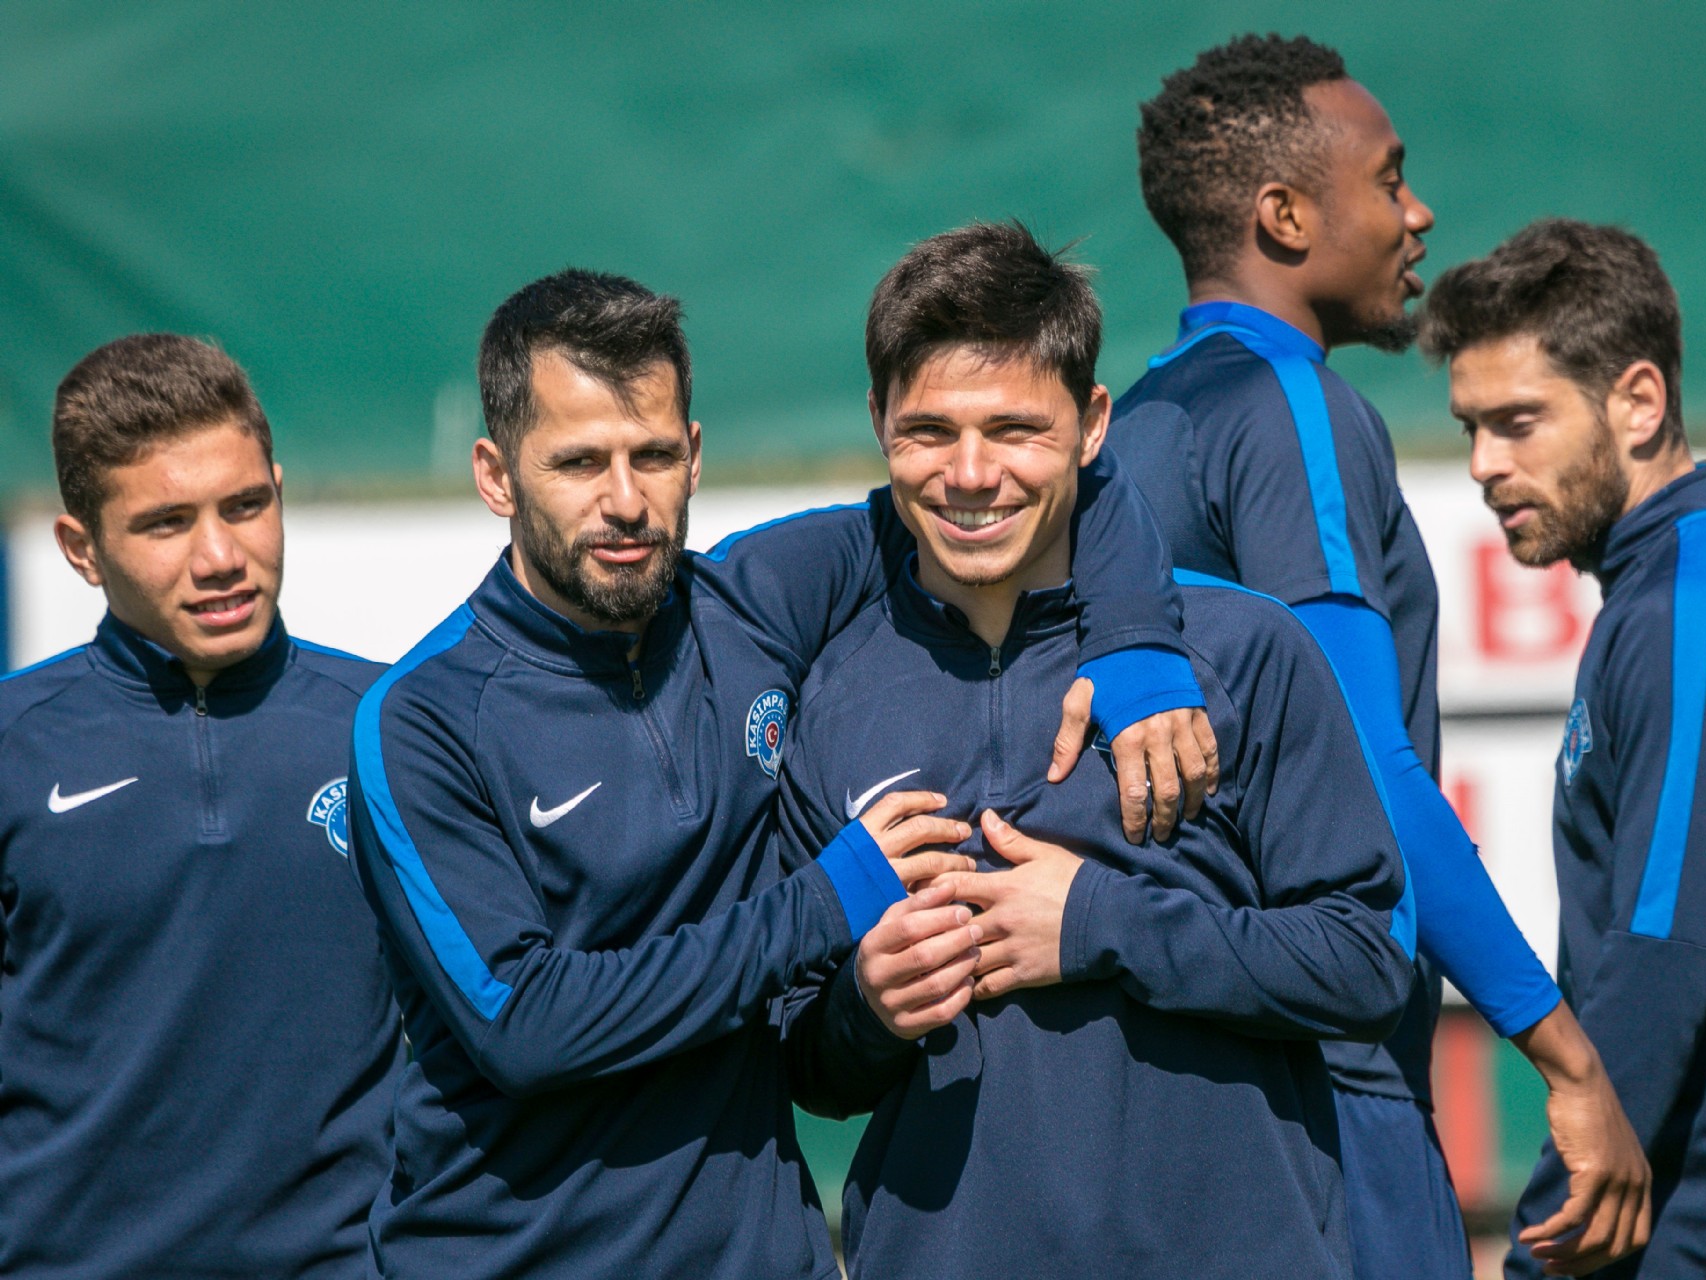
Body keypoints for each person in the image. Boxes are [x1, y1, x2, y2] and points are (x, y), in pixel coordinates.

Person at [347, 267, 1215, 1278]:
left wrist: (1138, 645)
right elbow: (524, 1025)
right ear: (497, 475)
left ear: (694, 455)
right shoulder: (423, 719)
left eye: (653, 456)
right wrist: (825, 902)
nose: (625, 501)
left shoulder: (751, 603)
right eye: (578, 462)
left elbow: (1014, 490)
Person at [1106, 34, 1648, 1277]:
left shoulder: (1133, 425)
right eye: (1390, 178)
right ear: (1285, 215)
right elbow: (1368, 770)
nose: (1419, 213)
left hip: (1175, 1093)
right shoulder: (1290, 404)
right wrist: (1564, 1056)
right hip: (1329, 1090)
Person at [780, 221, 1415, 1279]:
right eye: (929, 431)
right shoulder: (827, 698)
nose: (971, 474)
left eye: (1016, 429)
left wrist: (1100, 923)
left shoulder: (1240, 652)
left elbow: (1364, 966)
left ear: (1092, 425)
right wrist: (867, 1008)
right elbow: (809, 1062)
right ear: (879, 421)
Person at [1419, 219, 1706, 1277]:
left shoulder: (1698, 614)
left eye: (1519, 421)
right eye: (1471, 428)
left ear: (1638, 401)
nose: (1487, 464)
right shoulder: (1655, 600)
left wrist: (1546, 1245)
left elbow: (1664, 947)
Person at [0, 335, 404, 1277]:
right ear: (82, 549)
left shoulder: (396, 728)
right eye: (166, 523)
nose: (220, 556)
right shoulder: (15, 749)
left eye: (246, 506)